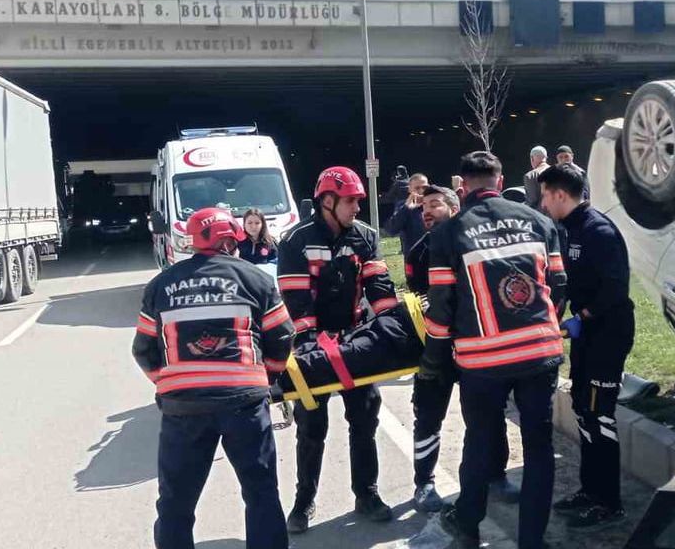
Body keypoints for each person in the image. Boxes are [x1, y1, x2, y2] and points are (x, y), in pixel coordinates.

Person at [422, 151, 567, 549]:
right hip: (539, 354)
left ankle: (468, 526)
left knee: (480, 441)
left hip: (482, 361)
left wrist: (434, 361)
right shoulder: (539, 221)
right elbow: (559, 285)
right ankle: (532, 541)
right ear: (500, 182)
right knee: (539, 448)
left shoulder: (448, 233)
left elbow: (441, 305)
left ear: (463, 187)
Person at [133, 207, 293, 549]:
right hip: (244, 403)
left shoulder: (161, 284)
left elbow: (142, 349)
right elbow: (282, 336)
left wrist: (169, 382)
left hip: (183, 408)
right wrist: (268, 377)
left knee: (176, 501)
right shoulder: (256, 279)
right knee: (261, 492)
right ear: (230, 239)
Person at [277, 166, 399, 533]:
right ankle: (303, 502)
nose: (357, 208)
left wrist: (391, 333)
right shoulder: (295, 240)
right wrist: (316, 354)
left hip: (355, 340)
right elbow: (297, 306)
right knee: (311, 426)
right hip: (312, 346)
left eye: (359, 201)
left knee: (365, 419)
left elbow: (379, 288)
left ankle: (367, 493)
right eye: (351, 201)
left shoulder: (365, 237)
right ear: (327, 201)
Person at [404, 185, 517, 514]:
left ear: (454, 208)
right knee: (427, 415)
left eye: (435, 203)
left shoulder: (475, 241)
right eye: (423, 205)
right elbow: (419, 299)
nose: (426, 210)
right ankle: (424, 482)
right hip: (435, 348)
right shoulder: (417, 254)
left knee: (489, 413)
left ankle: (497, 475)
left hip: (477, 346)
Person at [539, 164, 635, 529]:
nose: (543, 202)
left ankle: (609, 502)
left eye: (546, 195)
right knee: (582, 410)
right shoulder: (567, 229)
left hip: (607, 336)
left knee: (600, 417)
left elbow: (616, 288)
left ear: (560, 194)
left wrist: (585, 315)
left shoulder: (598, 231)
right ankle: (589, 490)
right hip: (586, 336)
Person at [384, 172, 428, 263]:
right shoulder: (403, 206)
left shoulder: (435, 205)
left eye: (424, 187)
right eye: (417, 188)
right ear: (409, 189)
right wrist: (407, 208)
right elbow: (392, 229)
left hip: (435, 257)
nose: (421, 191)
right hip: (413, 259)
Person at [522, 146, 550, 210]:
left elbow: (531, 201)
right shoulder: (558, 172)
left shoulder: (530, 176)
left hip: (540, 216)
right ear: (546, 158)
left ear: (532, 158)